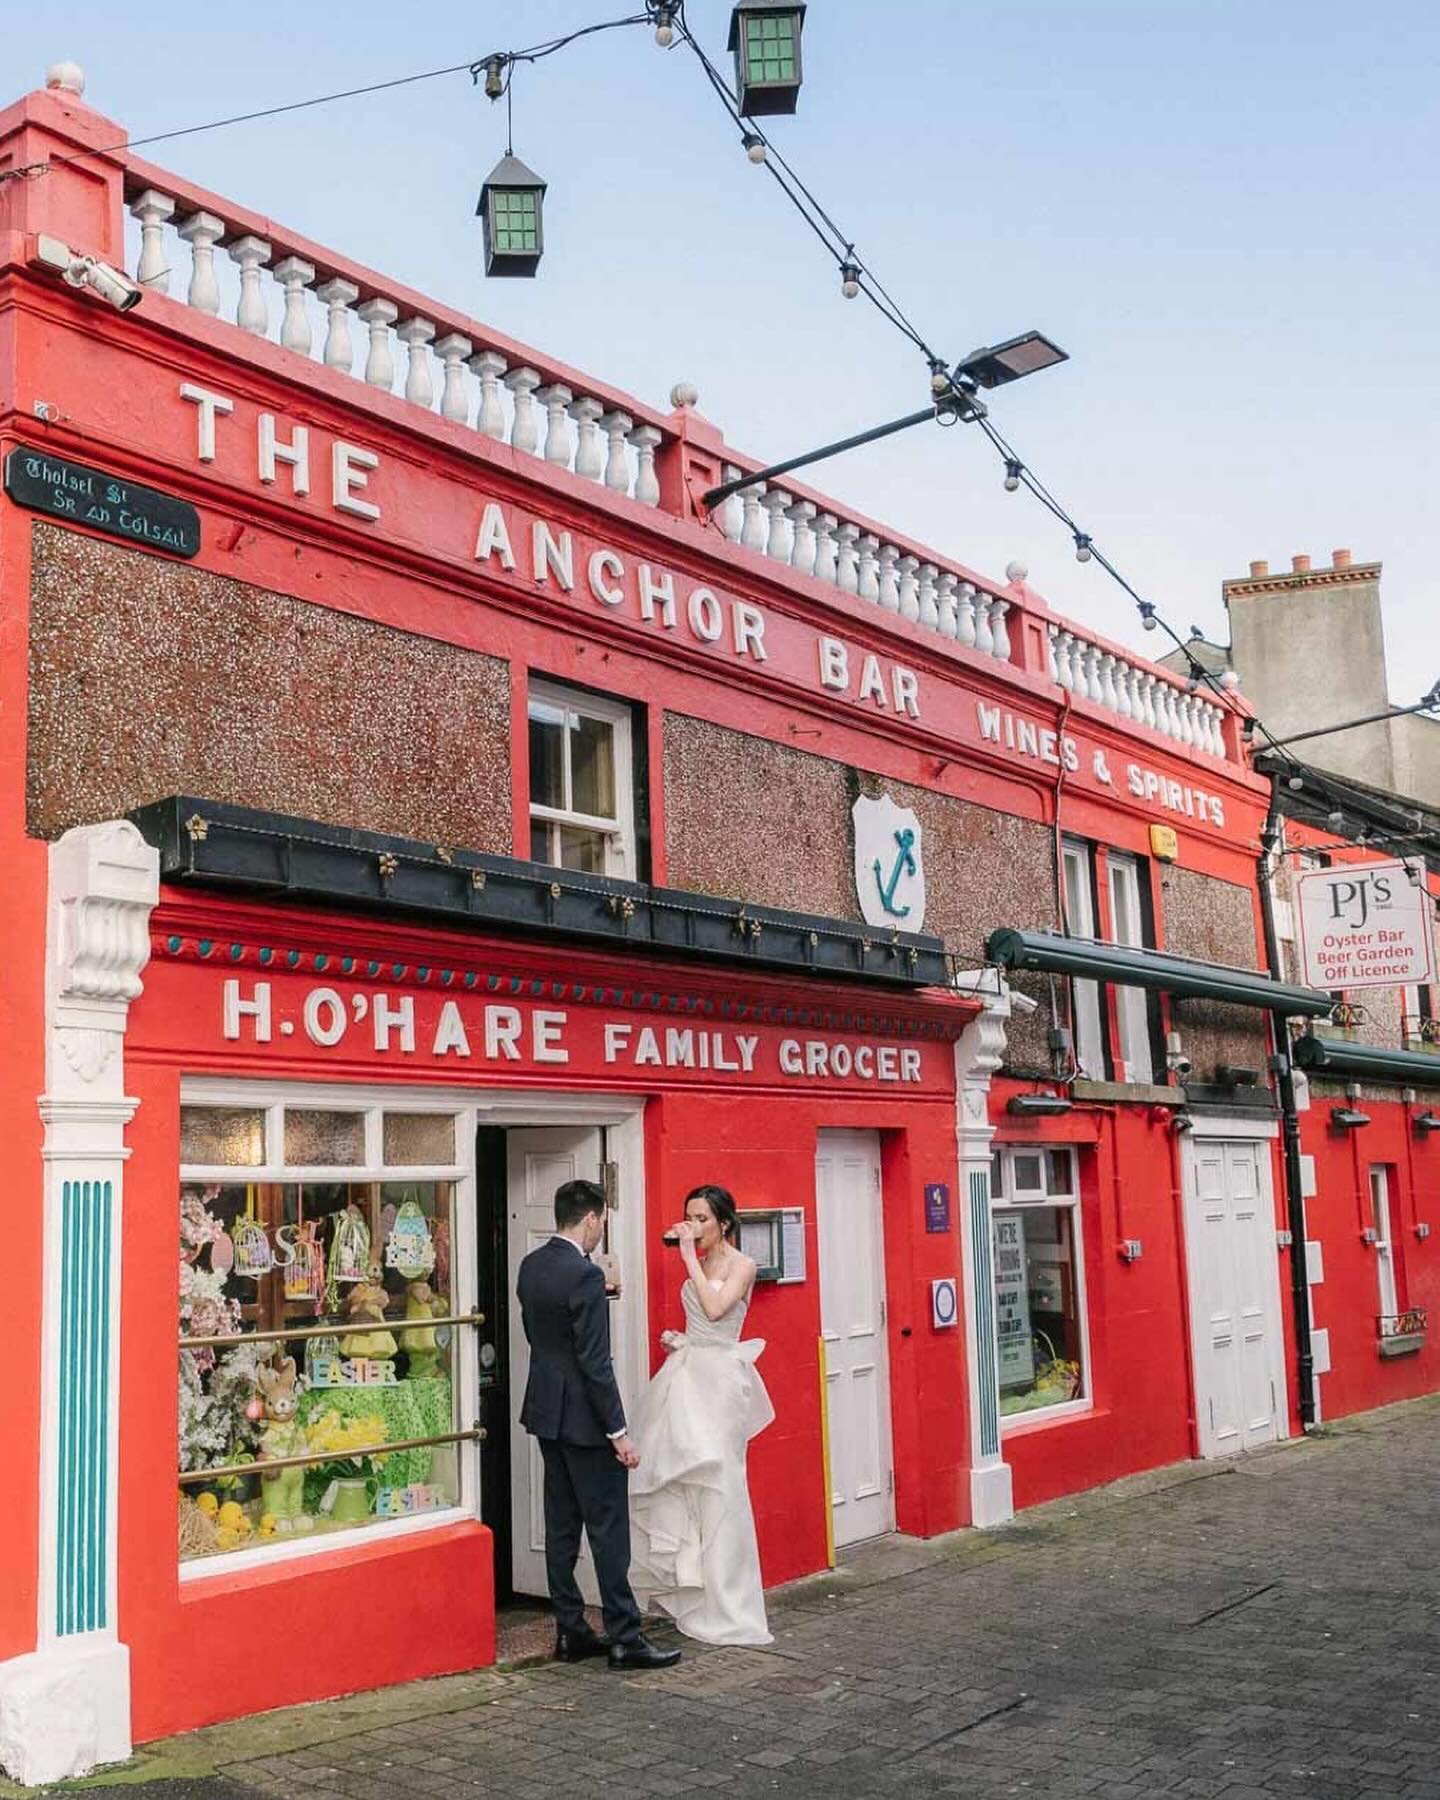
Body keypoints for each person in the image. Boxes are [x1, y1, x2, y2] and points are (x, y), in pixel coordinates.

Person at [516, 1178, 681, 1671]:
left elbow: (543, 1337)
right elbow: (594, 1360)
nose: (601, 1232)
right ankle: (625, 1638)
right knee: (609, 1530)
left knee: (562, 1526)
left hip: (546, 1410)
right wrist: (618, 1432)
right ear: (590, 1218)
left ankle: (570, 1629)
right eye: (602, 1223)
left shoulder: (532, 1265)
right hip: (586, 1421)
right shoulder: (584, 1276)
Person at [629, 1183, 775, 1646]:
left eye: (702, 1219)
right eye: (688, 1217)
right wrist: (681, 1339)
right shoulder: (701, 1261)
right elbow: (699, 1324)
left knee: (722, 1486)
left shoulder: (742, 1265)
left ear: (724, 1223)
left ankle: (732, 1605)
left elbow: (715, 1310)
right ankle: (695, 1592)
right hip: (689, 1374)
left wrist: (688, 1256)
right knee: (684, 1484)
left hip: (722, 1385)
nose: (693, 1226)